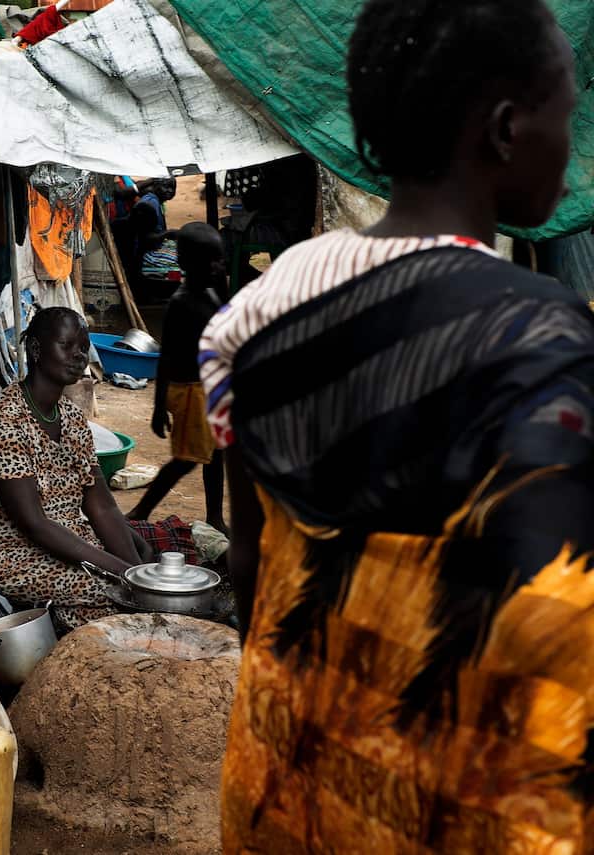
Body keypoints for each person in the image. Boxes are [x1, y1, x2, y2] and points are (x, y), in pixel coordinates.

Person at [200, 1, 593, 850]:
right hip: (455, 811)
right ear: (503, 128)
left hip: (286, 787)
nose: (575, 140)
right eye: (570, 109)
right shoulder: (542, 340)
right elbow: (554, 638)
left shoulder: (261, 309)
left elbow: (248, 557)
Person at [0, 307, 152, 632]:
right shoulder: (3, 419)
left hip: (71, 545)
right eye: (67, 346)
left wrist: (141, 574)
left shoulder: (73, 418)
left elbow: (101, 505)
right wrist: (123, 575)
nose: (79, 355)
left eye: (83, 346)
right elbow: (33, 523)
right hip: (14, 558)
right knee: (116, 599)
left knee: (145, 582)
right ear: (36, 350)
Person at [127, 222, 227, 530]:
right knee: (186, 459)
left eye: (219, 258)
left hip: (211, 388)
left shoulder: (214, 290)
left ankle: (214, 517)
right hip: (189, 391)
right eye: (210, 259)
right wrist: (159, 408)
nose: (217, 265)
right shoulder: (180, 304)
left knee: (216, 455)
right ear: (185, 264)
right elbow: (166, 357)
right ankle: (140, 511)